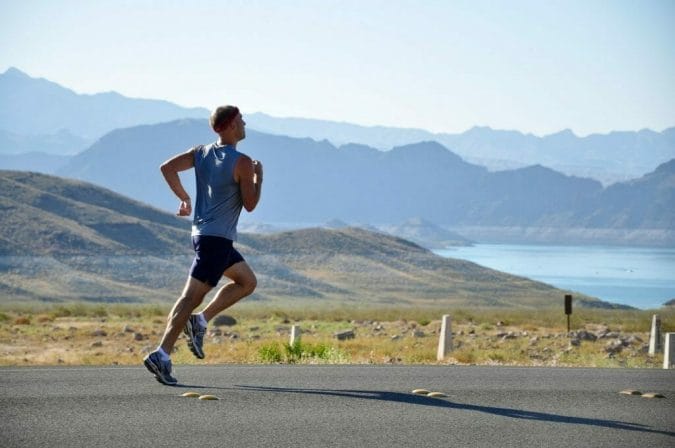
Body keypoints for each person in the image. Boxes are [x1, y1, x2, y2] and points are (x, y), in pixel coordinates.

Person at [143, 105, 263, 385]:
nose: (245, 124)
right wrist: (259, 177)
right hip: (217, 240)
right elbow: (250, 204)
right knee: (189, 298)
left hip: (204, 236)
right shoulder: (243, 162)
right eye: (242, 120)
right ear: (232, 124)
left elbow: (167, 167)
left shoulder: (201, 152)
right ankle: (161, 354)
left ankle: (200, 321)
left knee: (247, 282)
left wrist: (184, 198)